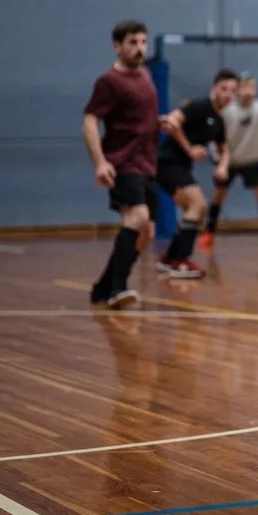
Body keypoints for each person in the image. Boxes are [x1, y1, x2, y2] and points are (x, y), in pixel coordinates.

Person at [82, 20, 160, 309]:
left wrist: (158, 124)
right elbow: (90, 121)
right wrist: (101, 162)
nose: (139, 48)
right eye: (132, 43)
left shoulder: (146, 75)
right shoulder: (109, 82)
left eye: (143, 42)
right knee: (137, 219)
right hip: (123, 162)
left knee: (146, 232)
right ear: (117, 46)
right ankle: (118, 287)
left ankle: (103, 287)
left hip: (148, 163)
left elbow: (140, 116)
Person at [156, 69, 239, 277]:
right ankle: (181, 262)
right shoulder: (199, 106)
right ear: (214, 89)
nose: (228, 95)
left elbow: (224, 149)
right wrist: (189, 148)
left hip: (181, 167)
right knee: (199, 205)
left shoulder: (219, 120)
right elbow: (173, 121)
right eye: (224, 89)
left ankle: (169, 259)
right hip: (167, 163)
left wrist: (222, 166)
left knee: (193, 212)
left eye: (232, 91)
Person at [201, 73, 258, 252]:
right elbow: (215, 136)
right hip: (230, 160)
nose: (248, 91)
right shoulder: (227, 110)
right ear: (238, 89)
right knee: (219, 194)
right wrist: (218, 160)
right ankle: (209, 232)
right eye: (244, 87)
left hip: (252, 159)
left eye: (252, 87)